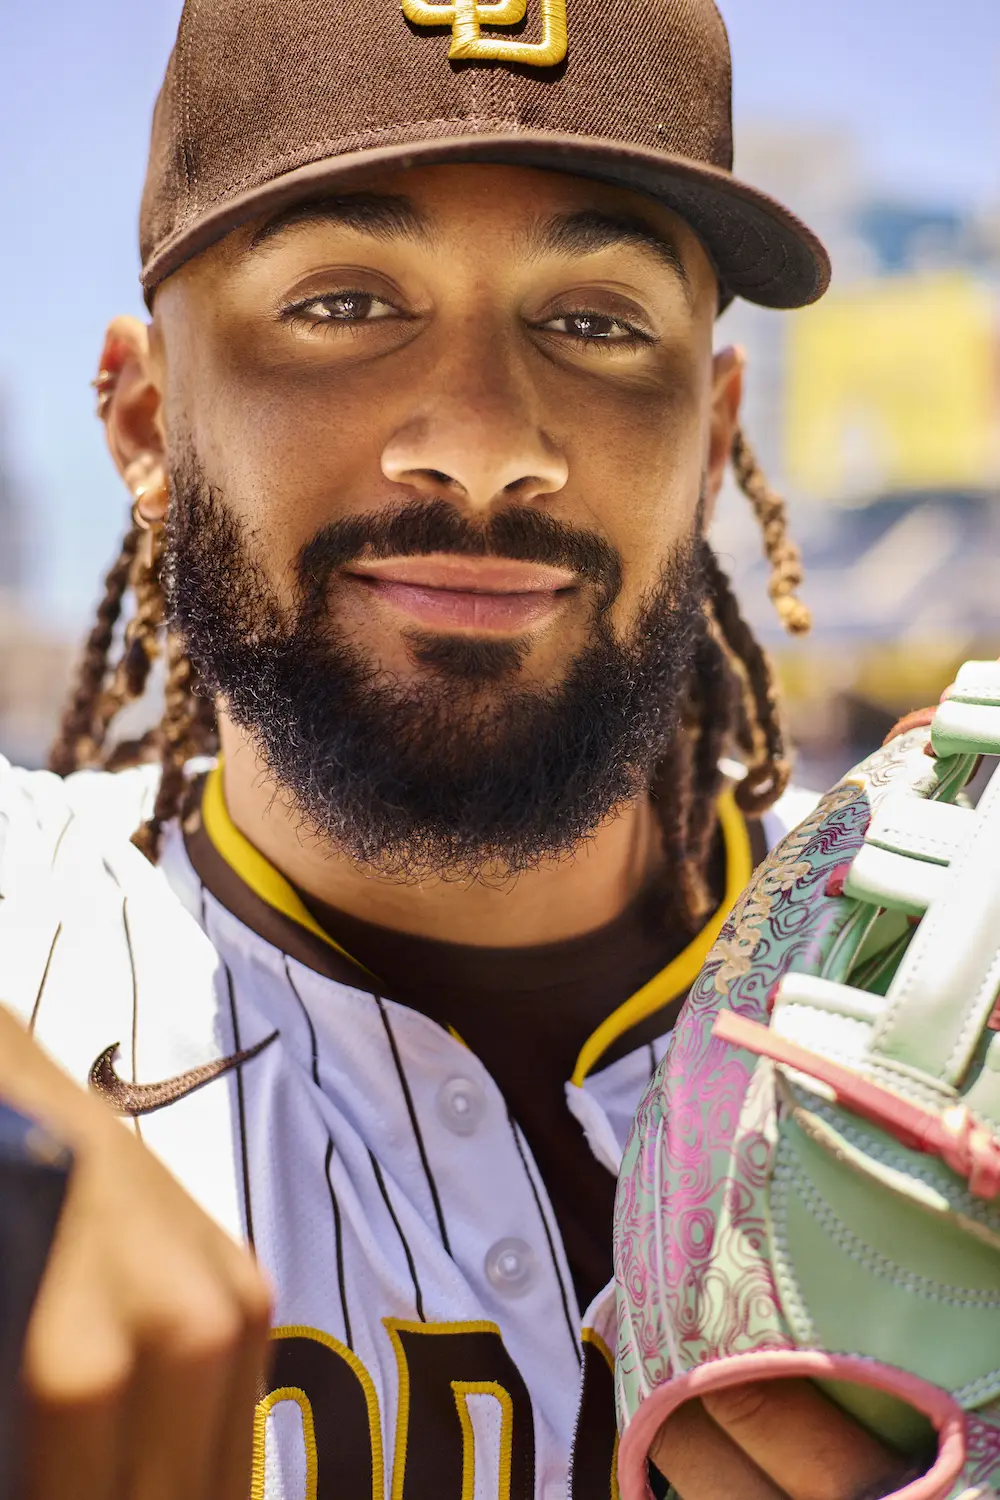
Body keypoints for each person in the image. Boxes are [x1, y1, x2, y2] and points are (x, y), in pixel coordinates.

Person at [0, 0, 914, 1495]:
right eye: (346, 303)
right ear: (150, 419)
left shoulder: (948, 991)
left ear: (708, 431)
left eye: (599, 322)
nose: (489, 439)